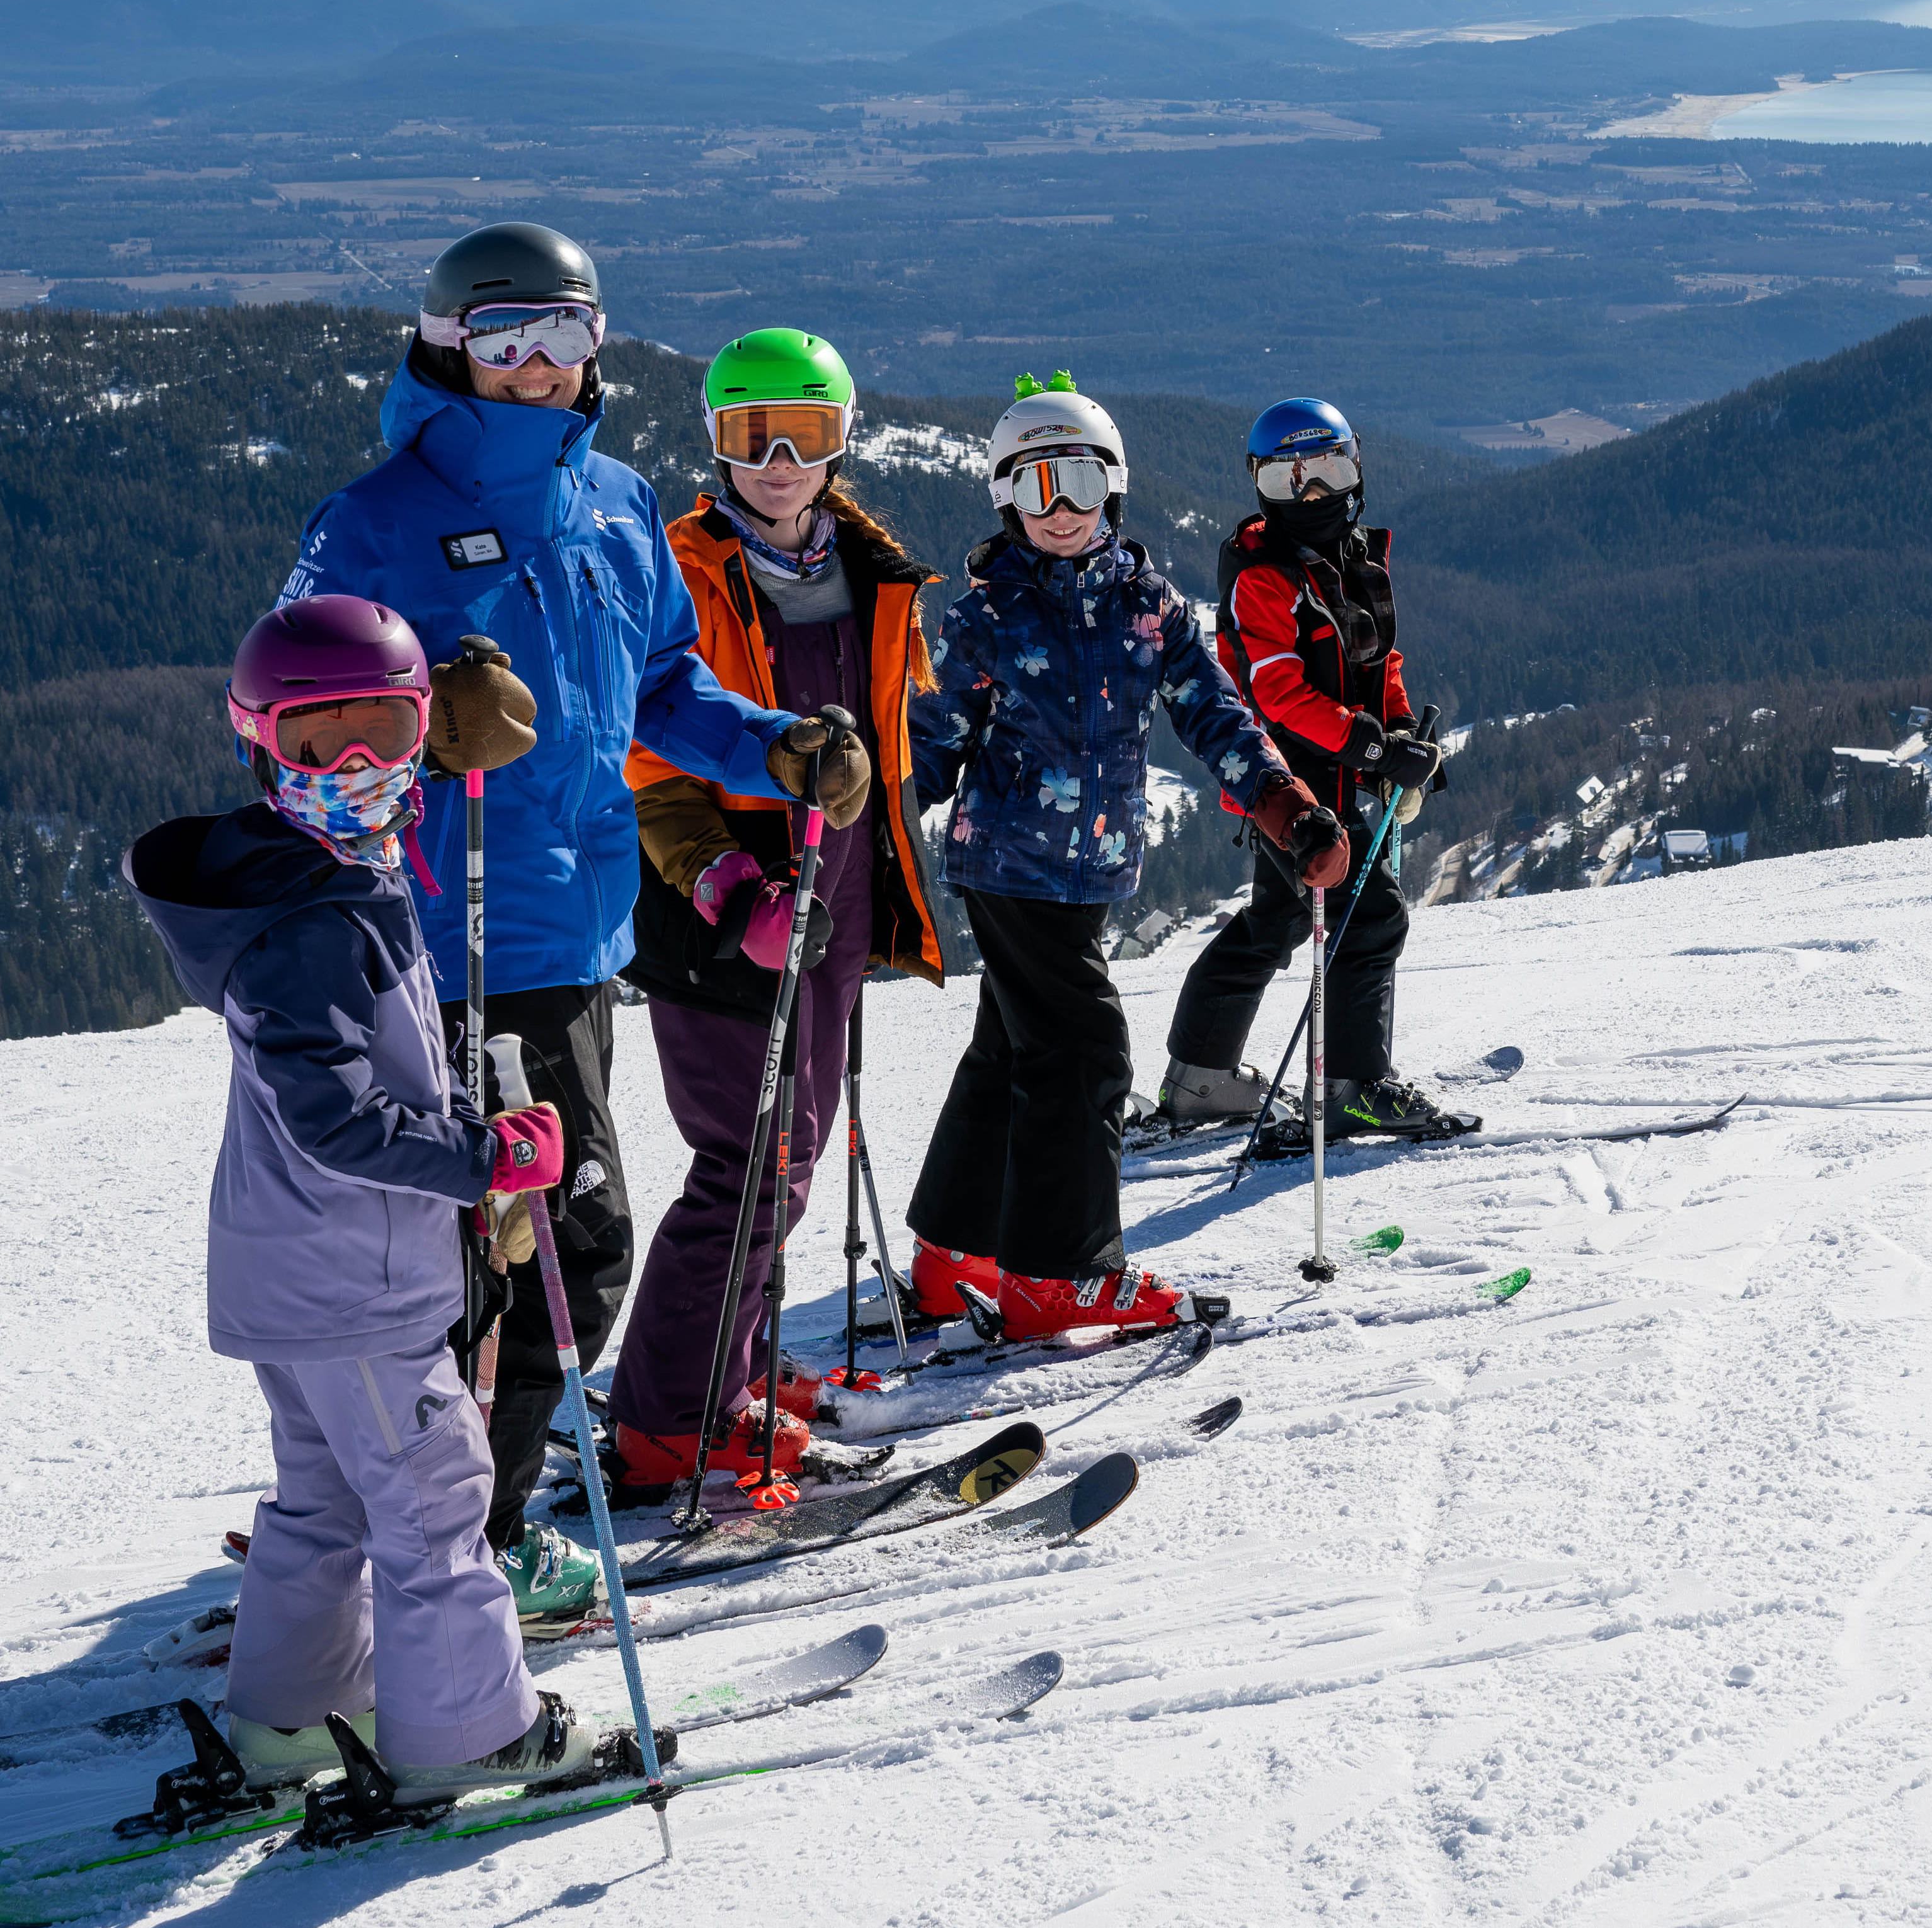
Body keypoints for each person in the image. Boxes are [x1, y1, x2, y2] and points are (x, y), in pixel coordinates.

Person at [275, 224, 877, 1614]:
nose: (540, 366)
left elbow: (665, 689)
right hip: (457, 947)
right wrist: (421, 740)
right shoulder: (370, 522)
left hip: (583, 939)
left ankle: (438, 1523)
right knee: (552, 1255)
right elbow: (288, 732)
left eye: (566, 334)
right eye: (505, 338)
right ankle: (457, 1549)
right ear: (444, 346)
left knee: (522, 1257)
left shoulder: (613, 501)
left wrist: (778, 747)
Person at [126, 595, 596, 1795]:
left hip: (301, 1267)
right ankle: (468, 1735)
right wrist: (481, 1160)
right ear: (255, 743)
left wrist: (468, 1143)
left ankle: (291, 1721)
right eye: (313, 740)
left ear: (422, 728)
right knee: (436, 1497)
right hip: (352, 1278)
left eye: (383, 728)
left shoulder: (315, 874)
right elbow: (334, 1119)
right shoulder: (305, 923)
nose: (354, 765)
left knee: (324, 1499)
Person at [904, 374, 1347, 1342]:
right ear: (1003, 499)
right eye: (1033, 488)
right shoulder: (988, 616)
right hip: (1009, 867)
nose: (1059, 510)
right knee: (1087, 1049)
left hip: (1091, 871)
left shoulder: (1148, 606)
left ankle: (951, 1254)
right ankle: (1060, 1273)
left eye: (1080, 484)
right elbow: (929, 741)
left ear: (1117, 488)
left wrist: (1289, 808)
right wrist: (868, 826)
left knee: (1010, 1049)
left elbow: (1216, 715)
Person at [612, 326, 947, 1492]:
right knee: (745, 1159)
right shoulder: (682, 567)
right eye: (751, 435)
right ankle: (669, 1414)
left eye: (803, 434)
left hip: (837, 882)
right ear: (716, 439)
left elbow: (889, 724)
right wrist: (726, 885)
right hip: (721, 892)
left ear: (841, 439)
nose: (777, 461)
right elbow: (648, 763)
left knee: (790, 1158)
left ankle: (734, 1364)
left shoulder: (867, 564)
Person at [1157, 396, 1477, 1141]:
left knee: (1280, 918)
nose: (1311, 496)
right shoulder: (1263, 576)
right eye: (1288, 481)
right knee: (1371, 918)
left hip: (1333, 771)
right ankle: (1353, 1088)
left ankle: (1200, 1080)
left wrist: (1398, 731)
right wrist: (1373, 746)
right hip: (1286, 788)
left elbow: (1377, 658)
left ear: (1354, 469)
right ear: (1259, 486)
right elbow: (1276, 690)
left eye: (1326, 472)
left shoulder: (1355, 557)